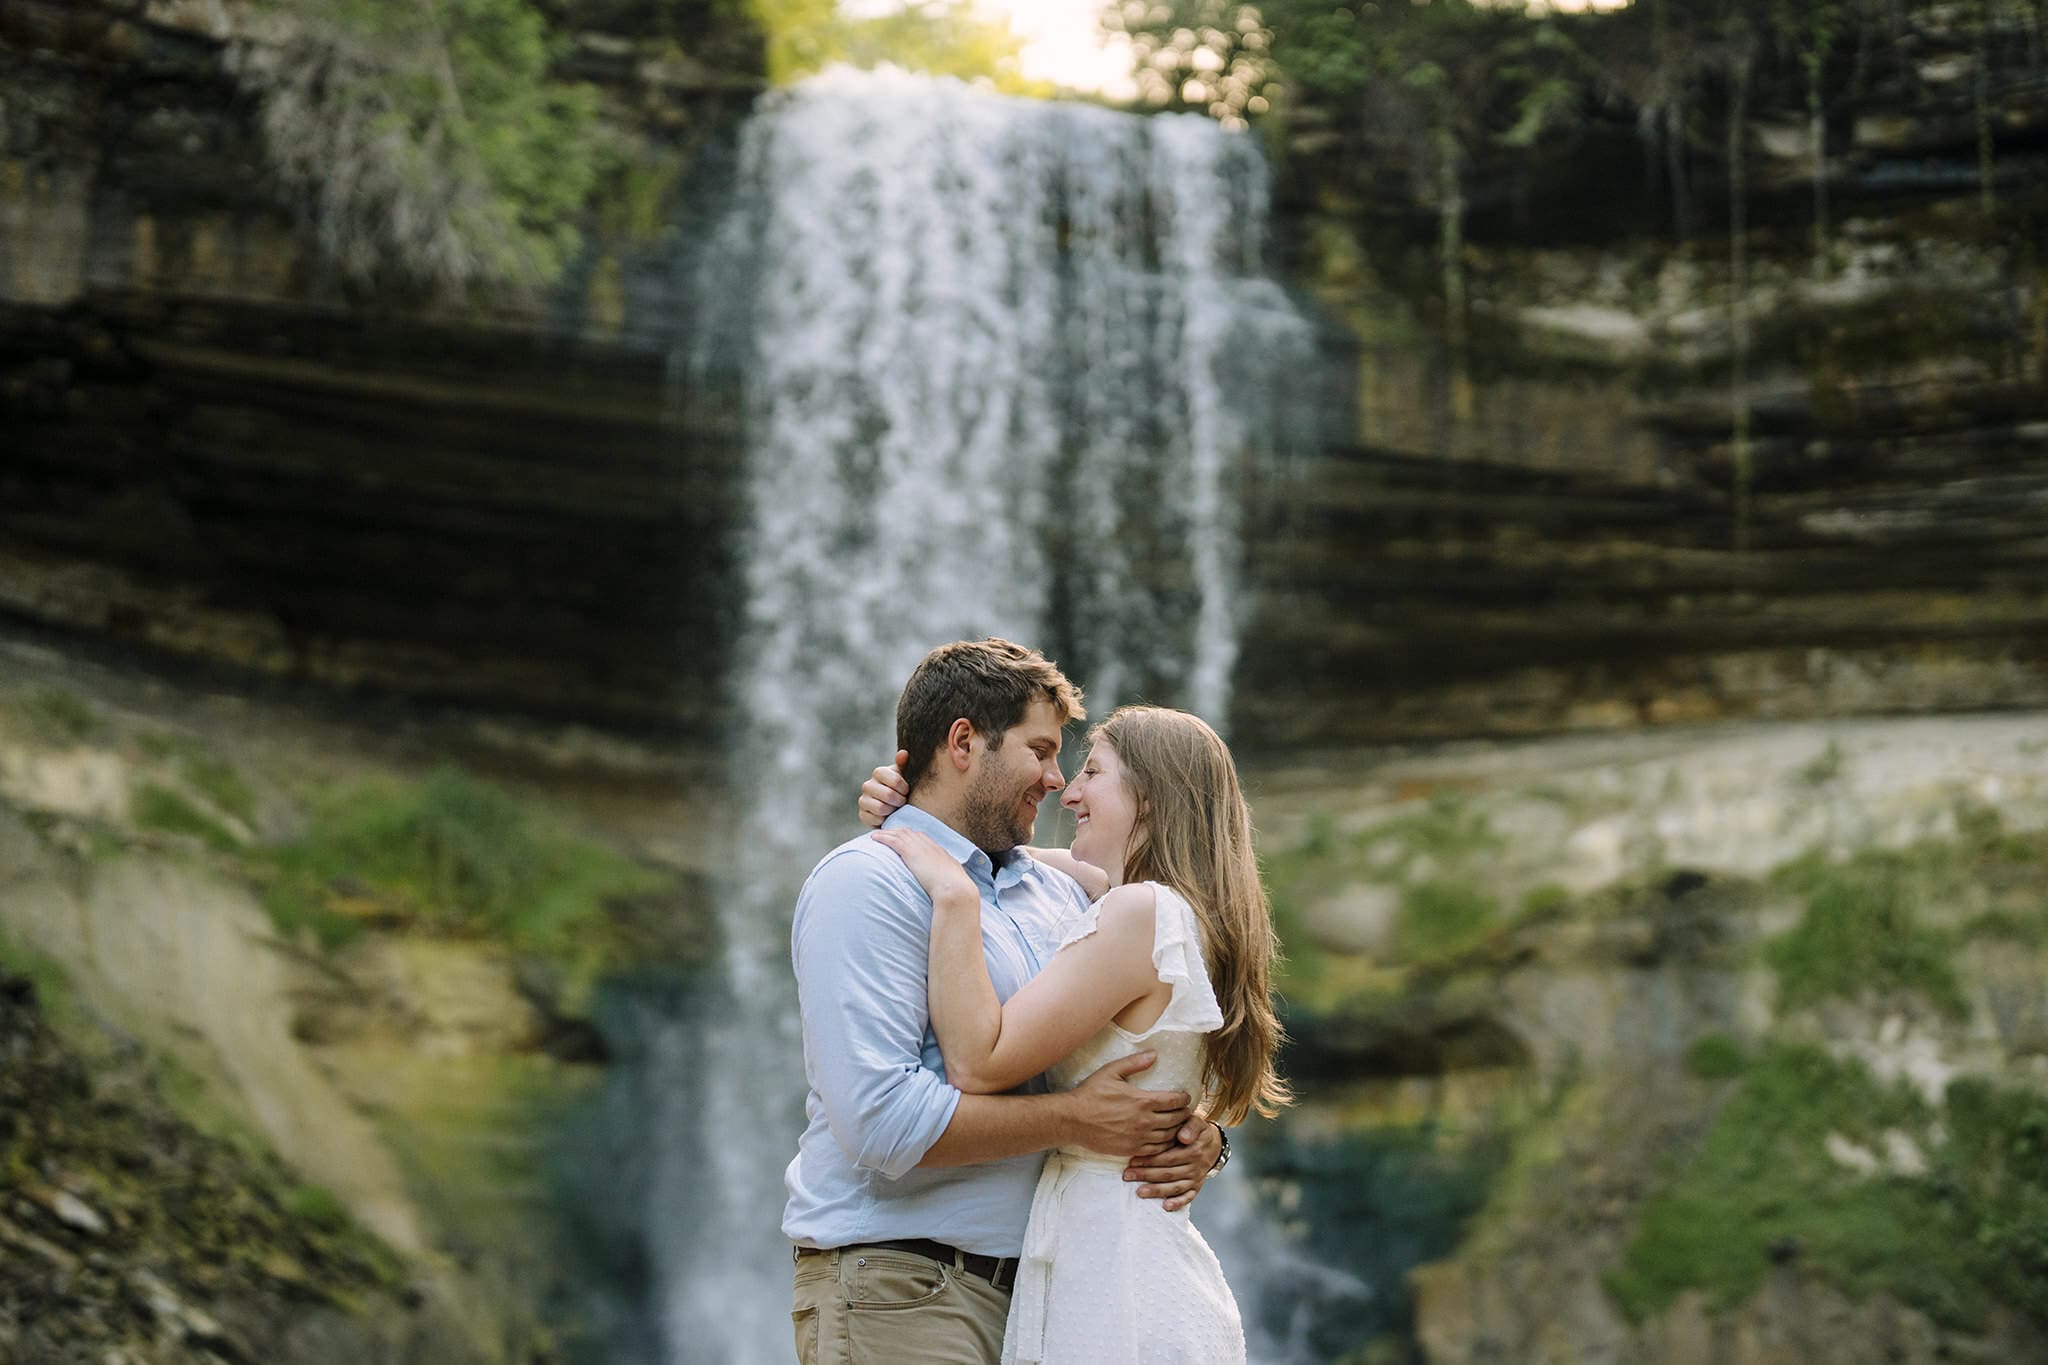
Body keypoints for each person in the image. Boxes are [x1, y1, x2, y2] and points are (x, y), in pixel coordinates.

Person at [784, 639, 1226, 1365]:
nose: (1058, 781)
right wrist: (1076, 1119)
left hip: (1046, 1299)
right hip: (905, 1287)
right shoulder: (866, 883)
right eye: (1043, 750)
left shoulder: (1056, 890)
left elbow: (1148, 1016)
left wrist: (1194, 1135)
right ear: (964, 741)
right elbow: (880, 1125)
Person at [862, 702, 1290, 1365]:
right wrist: (914, 814)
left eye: (1093, 770)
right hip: (1137, 1261)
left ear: (1149, 796)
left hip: (1113, 1281)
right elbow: (1033, 860)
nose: (1071, 789)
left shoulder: (1138, 912)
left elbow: (977, 1063)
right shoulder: (1185, 913)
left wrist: (954, 896)